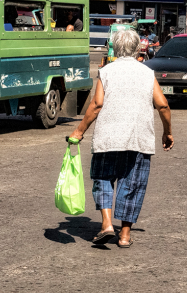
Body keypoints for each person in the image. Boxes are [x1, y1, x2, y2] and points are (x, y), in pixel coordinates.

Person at [69, 29, 174, 248]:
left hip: (108, 137)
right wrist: (167, 132)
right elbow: (163, 104)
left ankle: (107, 224)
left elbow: (96, 105)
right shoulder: (146, 72)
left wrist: (79, 131)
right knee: (133, 184)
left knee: (103, 178)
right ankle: (124, 236)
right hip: (138, 138)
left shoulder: (106, 71)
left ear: (115, 49)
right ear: (138, 49)